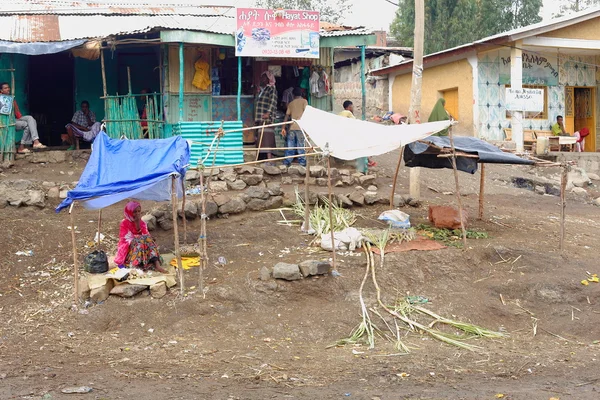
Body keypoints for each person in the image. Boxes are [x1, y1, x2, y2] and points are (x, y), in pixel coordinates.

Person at [114, 201, 167, 273]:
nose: (137, 213)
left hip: (142, 244)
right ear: (129, 212)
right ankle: (135, 264)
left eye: (139, 211)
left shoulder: (142, 223)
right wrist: (136, 224)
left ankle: (157, 264)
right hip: (128, 248)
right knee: (140, 240)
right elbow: (125, 239)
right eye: (134, 212)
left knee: (147, 239)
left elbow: (146, 235)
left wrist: (138, 224)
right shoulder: (124, 223)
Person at [0, 82, 46, 154]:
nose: (8, 89)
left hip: (14, 119)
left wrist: (13, 104)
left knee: (30, 118)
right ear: (1, 90)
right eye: (5, 88)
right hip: (5, 121)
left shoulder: (11, 99)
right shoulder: (1, 98)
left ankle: (36, 141)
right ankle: (21, 147)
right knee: (26, 125)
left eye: (8, 87)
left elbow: (18, 114)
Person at [338, 100, 376, 168]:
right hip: (346, 136)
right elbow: (355, 123)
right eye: (352, 107)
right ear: (349, 107)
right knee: (361, 143)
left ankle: (368, 159)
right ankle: (367, 160)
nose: (353, 108)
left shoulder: (340, 113)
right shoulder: (348, 113)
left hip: (341, 135)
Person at [254, 70, 278, 162]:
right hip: (260, 117)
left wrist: (268, 113)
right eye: (262, 77)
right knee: (261, 138)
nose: (262, 79)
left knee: (267, 138)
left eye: (264, 77)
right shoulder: (262, 90)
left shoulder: (272, 89)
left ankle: (270, 159)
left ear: (268, 79)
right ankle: (262, 158)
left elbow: (273, 101)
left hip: (267, 118)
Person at [281, 88, 307, 167]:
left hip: (292, 127)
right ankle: (302, 163)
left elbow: (286, 116)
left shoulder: (291, 103)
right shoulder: (304, 102)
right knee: (300, 146)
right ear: (301, 94)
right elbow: (307, 113)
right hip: (300, 127)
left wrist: (283, 127)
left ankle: (287, 162)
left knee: (290, 146)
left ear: (293, 95)